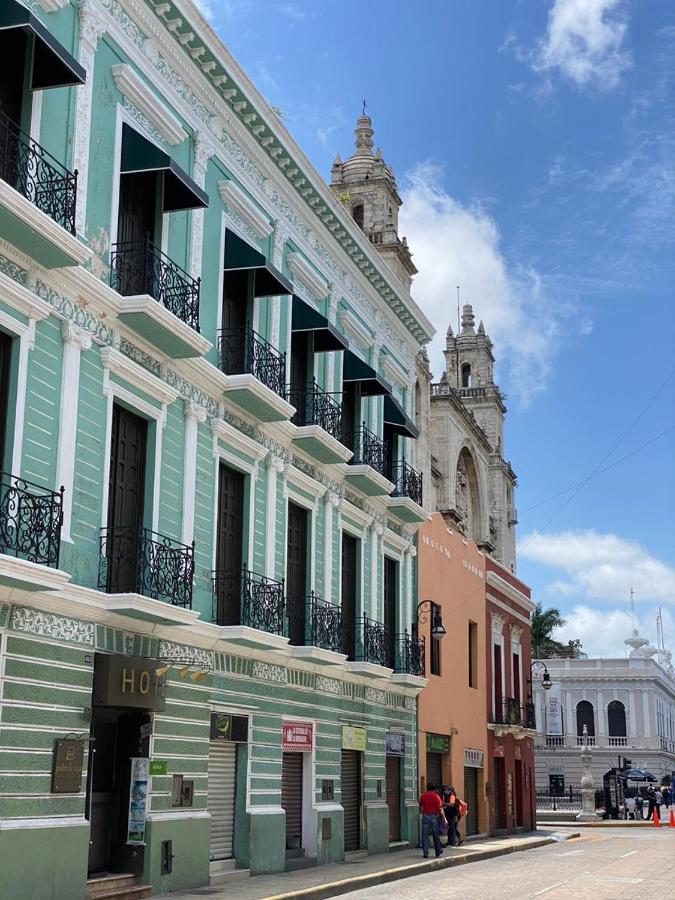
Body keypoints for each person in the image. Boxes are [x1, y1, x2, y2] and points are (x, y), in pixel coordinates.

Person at [419, 782, 445, 858]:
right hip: (434, 817)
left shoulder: (423, 796)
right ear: (435, 789)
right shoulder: (436, 797)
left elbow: (420, 806)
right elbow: (440, 808)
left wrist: (422, 813)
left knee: (424, 835)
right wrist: (444, 818)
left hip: (425, 816)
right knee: (435, 835)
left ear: (427, 788)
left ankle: (425, 853)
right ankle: (438, 851)